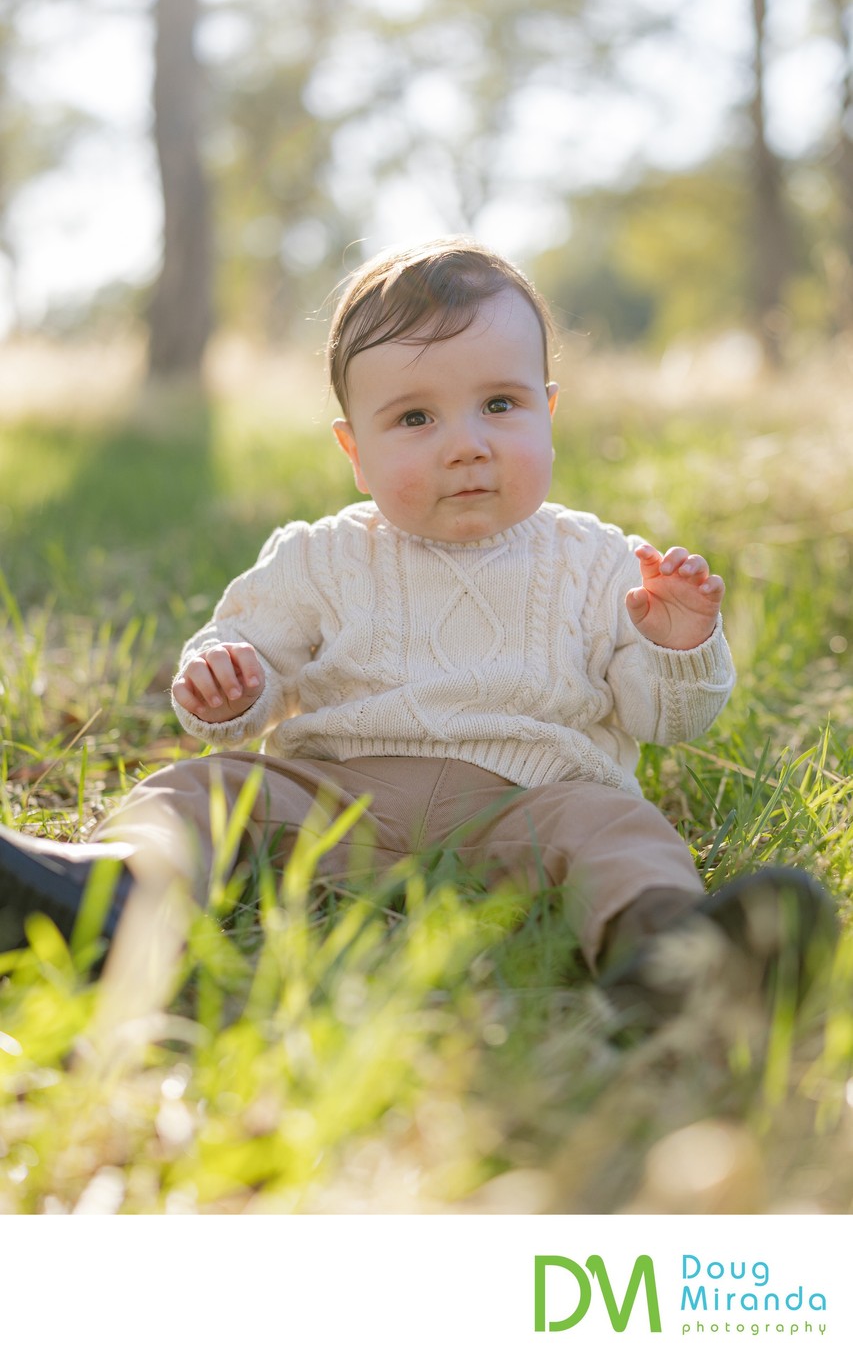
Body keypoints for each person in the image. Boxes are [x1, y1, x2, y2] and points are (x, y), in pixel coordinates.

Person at [0, 236, 837, 1027]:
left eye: (499, 404)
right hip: (335, 802)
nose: (465, 446)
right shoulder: (318, 557)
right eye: (413, 419)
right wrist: (228, 678)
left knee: (619, 828)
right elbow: (247, 654)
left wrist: (677, 644)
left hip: (529, 807)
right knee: (200, 789)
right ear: (354, 452)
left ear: (547, 412)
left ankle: (665, 948)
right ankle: (113, 892)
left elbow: (665, 719)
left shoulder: (601, 562)